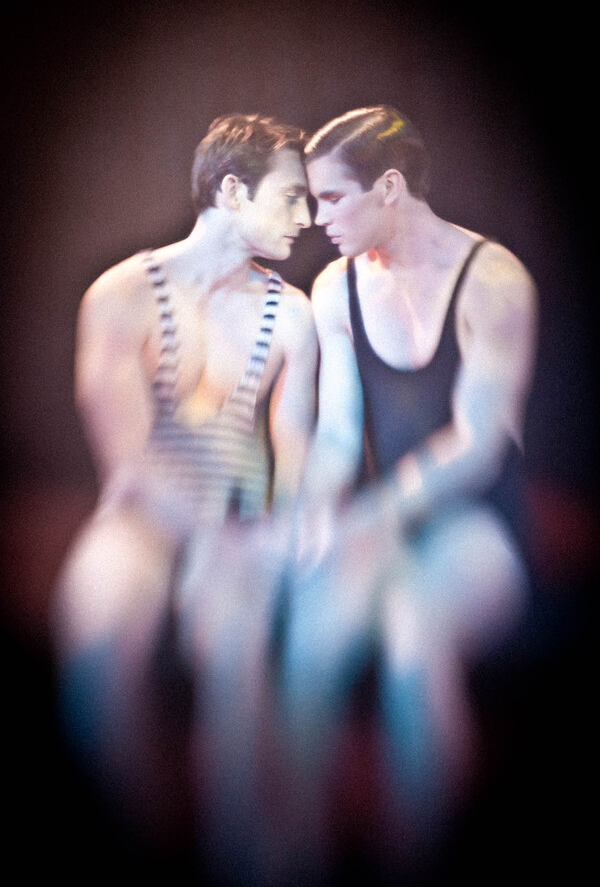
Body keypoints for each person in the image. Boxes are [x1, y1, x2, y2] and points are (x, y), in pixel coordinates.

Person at [51, 113, 318, 872]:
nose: (307, 216)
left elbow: (293, 448)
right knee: (98, 627)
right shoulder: (120, 295)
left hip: (237, 517)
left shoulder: (292, 316)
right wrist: (204, 539)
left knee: (234, 643)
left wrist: (280, 529)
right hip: (141, 518)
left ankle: (248, 852)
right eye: (292, 196)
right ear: (233, 192)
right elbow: (129, 466)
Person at [281, 105, 538, 877]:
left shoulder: (493, 278)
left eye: (332, 198)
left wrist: (371, 518)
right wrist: (314, 516)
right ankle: (287, 858)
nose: (316, 218)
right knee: (309, 642)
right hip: (384, 523)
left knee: (413, 636)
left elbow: (478, 448)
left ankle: (421, 858)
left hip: (480, 527)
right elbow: (337, 436)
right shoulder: (335, 287)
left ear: (389, 187)